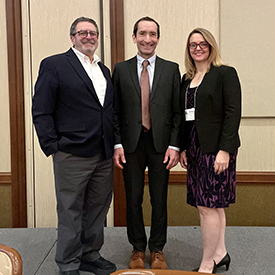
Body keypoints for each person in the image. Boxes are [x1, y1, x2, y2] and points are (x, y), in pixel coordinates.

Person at [32, 17, 116, 275]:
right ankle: (68, 263)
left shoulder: (104, 70)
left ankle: (90, 254)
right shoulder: (55, 64)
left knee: (97, 208)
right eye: (83, 32)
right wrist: (52, 145)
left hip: (103, 152)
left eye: (93, 33)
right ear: (72, 37)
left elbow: (107, 111)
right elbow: (41, 109)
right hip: (71, 152)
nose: (89, 36)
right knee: (70, 209)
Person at [113, 16, 181, 270]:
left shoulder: (171, 69)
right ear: (134, 37)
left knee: (159, 198)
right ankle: (137, 249)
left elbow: (177, 112)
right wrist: (116, 144)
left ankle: (158, 249)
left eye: (152, 34)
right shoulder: (120, 69)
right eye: (142, 34)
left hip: (161, 144)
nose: (147, 39)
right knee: (133, 198)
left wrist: (175, 145)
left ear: (158, 39)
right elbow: (114, 111)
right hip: (130, 144)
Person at [179, 27, 241, 274]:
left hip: (216, 150)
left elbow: (232, 113)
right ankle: (221, 252)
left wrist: (225, 150)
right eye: (193, 44)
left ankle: (208, 261)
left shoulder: (225, 74)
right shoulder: (187, 79)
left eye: (203, 44)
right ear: (188, 49)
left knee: (208, 205)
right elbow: (185, 118)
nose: (198, 48)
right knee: (213, 206)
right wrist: (183, 148)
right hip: (194, 148)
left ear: (211, 46)